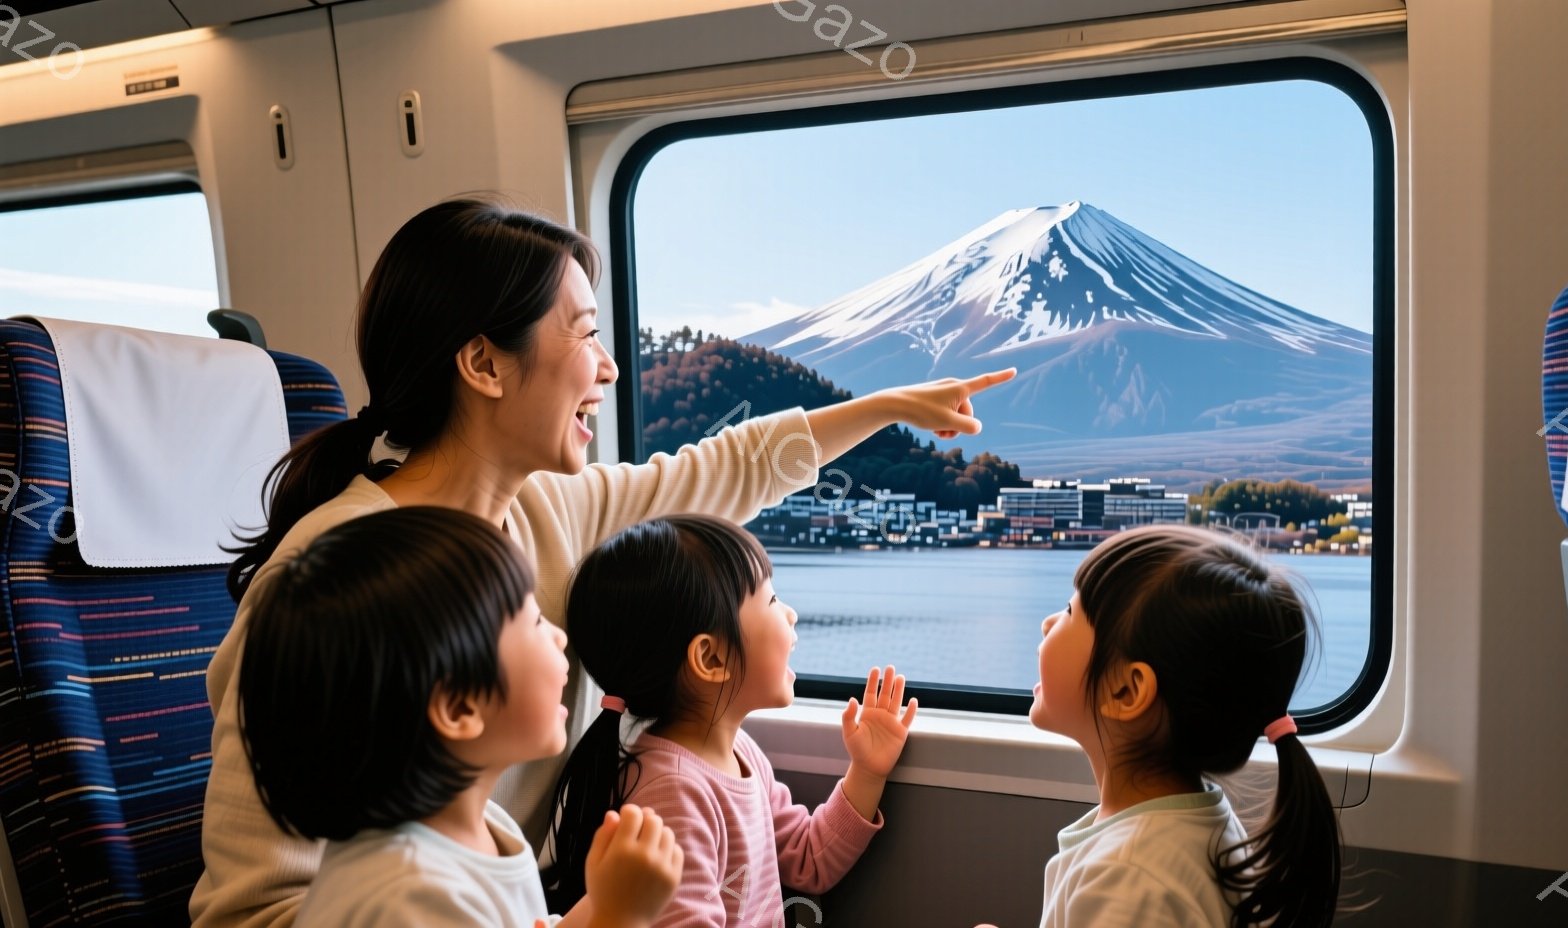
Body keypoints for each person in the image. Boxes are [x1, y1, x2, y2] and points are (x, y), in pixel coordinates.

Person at [189, 193, 1015, 928]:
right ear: (483, 364)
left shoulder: (545, 507)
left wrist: (886, 408)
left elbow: (727, 470)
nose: (611, 368)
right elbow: (254, 905)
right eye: (585, 334)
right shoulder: (341, 576)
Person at [238, 507, 683, 928]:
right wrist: (620, 916)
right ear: (459, 708)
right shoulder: (412, 897)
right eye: (533, 622)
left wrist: (606, 900)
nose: (559, 636)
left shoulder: (484, 826)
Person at [544, 515, 917, 925]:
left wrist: (866, 771)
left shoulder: (740, 751)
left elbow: (810, 860)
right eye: (772, 600)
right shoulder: (673, 796)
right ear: (712, 658)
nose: (790, 614)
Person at [1021, 525, 1341, 928]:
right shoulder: (1192, 824)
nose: (1048, 623)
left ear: (1126, 691)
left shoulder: (1127, 879)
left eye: (1070, 612)